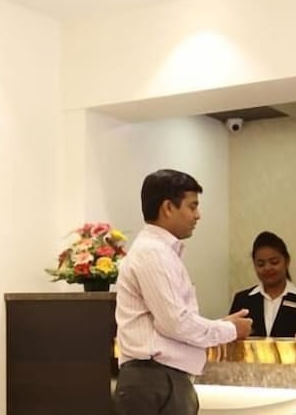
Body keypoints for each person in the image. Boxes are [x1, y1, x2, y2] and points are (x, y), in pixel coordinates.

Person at [114, 169, 253, 415]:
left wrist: (219, 324)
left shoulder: (159, 252)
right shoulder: (153, 252)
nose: (198, 215)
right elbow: (174, 323)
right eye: (192, 206)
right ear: (168, 207)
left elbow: (173, 319)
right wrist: (230, 330)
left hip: (158, 378)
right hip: (155, 379)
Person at [228, 231, 296, 338]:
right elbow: (229, 341)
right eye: (261, 264)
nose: (267, 268)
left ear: (287, 261)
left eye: (274, 262)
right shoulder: (242, 300)